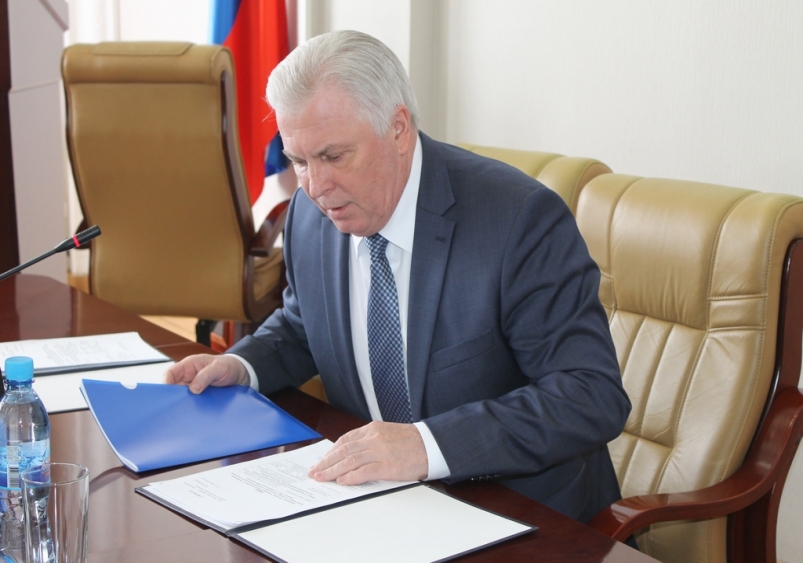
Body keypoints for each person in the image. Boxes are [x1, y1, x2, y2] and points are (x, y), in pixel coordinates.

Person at [166, 29, 631, 524]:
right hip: (380, 507)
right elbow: (305, 326)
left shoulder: (517, 220)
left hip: (522, 514)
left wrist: (425, 445)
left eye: (333, 156)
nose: (316, 187)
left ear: (399, 129)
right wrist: (243, 366)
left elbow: (590, 394)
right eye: (299, 160)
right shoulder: (308, 216)